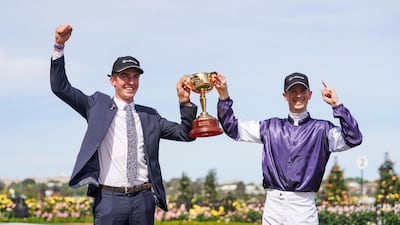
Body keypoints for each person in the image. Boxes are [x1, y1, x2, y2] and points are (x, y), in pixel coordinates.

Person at [50, 24, 198, 225]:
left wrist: (185, 103)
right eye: (124, 76)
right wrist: (59, 45)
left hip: (143, 200)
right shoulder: (96, 105)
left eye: (135, 77)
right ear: (113, 81)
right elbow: (61, 88)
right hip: (109, 200)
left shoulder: (149, 116)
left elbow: (185, 134)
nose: (131, 82)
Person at [213, 72, 362, 225]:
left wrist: (337, 106)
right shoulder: (270, 127)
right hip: (273, 205)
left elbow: (354, 138)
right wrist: (223, 94)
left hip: (303, 207)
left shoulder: (322, 129)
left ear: (310, 94)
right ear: (285, 95)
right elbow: (232, 128)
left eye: (302, 91)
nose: (298, 95)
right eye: (293, 91)